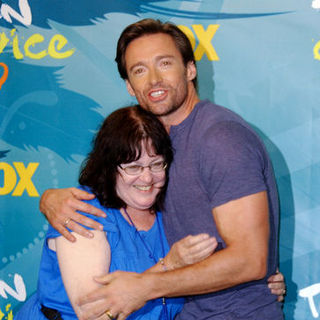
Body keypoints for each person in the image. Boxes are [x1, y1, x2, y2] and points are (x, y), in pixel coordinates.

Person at [40, 19, 285, 320]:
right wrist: (49, 198)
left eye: (165, 63)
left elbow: (250, 260)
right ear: (130, 86)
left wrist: (147, 285)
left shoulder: (221, 138)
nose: (154, 79)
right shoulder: (159, 143)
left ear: (190, 69)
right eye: (139, 70)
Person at [15, 106, 218, 320]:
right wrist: (169, 265)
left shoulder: (172, 208)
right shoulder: (83, 211)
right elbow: (94, 314)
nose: (147, 178)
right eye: (133, 167)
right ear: (109, 167)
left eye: (156, 165)